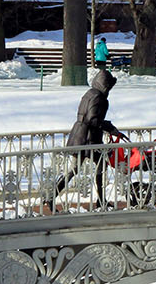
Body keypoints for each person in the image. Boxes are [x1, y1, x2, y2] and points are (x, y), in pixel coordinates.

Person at [46, 69, 123, 210]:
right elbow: (92, 119)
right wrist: (109, 127)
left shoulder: (89, 93)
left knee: (75, 169)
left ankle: (52, 197)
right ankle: (100, 200)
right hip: (89, 138)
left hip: (80, 135)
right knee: (98, 167)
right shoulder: (98, 97)